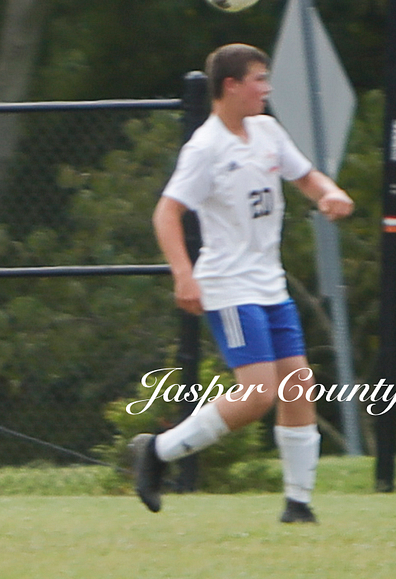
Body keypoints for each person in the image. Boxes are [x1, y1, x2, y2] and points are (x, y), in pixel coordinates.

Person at [132, 43, 353, 523]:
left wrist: (329, 193)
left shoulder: (267, 131)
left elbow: (306, 176)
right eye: (258, 80)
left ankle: (298, 503)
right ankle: (157, 451)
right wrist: (183, 275)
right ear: (230, 86)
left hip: (269, 283)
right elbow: (166, 213)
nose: (266, 89)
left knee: (298, 384)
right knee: (256, 396)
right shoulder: (206, 147)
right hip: (229, 285)